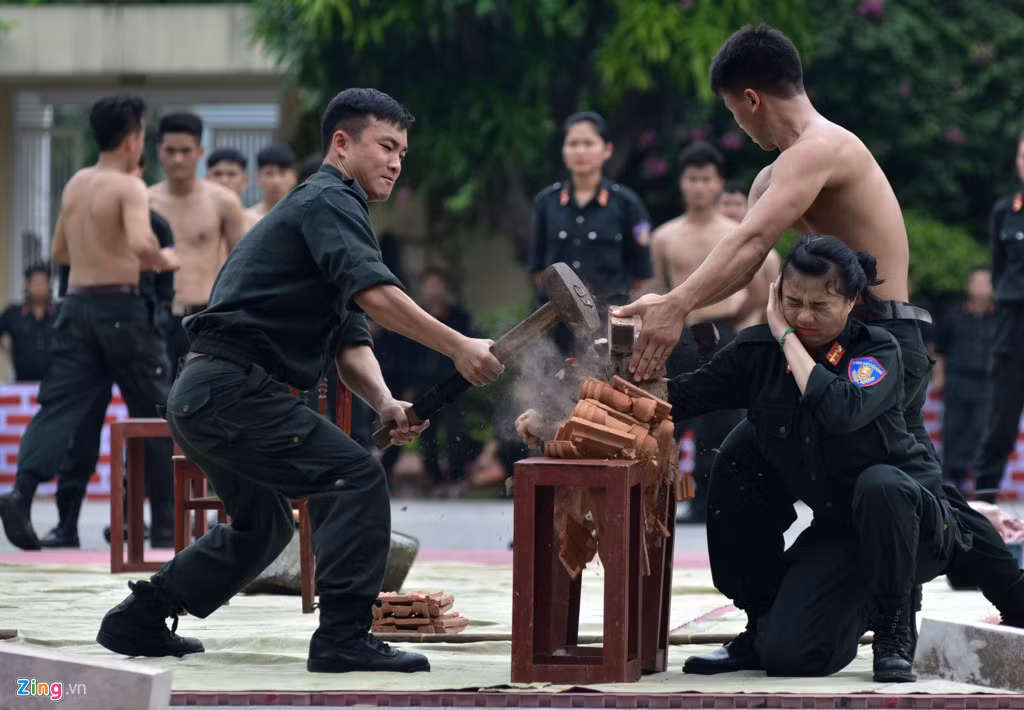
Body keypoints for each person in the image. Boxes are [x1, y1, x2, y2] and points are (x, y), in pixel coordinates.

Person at [614, 23, 1024, 626]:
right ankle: (765, 618)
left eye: (734, 113)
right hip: (825, 341)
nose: (739, 127)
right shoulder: (776, 174)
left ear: (751, 99)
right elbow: (747, 258)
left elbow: (752, 236)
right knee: (743, 461)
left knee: (904, 484)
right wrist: (676, 302)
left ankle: (980, 590)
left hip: (883, 347)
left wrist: (676, 306)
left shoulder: (824, 148)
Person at [95, 88, 504, 674]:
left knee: (261, 529)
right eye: (386, 146)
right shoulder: (328, 199)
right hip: (230, 389)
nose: (395, 162)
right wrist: (459, 346)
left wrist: (386, 402)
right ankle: (343, 637)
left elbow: (351, 341)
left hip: (210, 396)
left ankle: (140, 616)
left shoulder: (337, 212)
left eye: (403, 153)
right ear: (342, 143)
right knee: (356, 477)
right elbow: (377, 297)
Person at [519, 237, 963, 682]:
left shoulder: (876, 350)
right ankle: (764, 619)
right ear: (777, 295)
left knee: (882, 488)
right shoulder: (757, 354)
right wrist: (568, 406)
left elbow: (837, 406)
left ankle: (894, 620)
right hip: (835, 530)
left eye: (819, 305)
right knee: (787, 650)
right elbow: (673, 400)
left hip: (901, 525)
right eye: (792, 302)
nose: (804, 315)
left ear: (850, 301)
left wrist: (748, 323)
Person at [0, 95, 179, 551]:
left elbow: (60, 250)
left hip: (74, 308)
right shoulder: (128, 186)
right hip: (121, 310)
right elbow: (142, 244)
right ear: (133, 139)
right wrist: (166, 259)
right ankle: (163, 522)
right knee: (158, 414)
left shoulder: (76, 184)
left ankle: (22, 494)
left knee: (60, 408)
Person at [42, 155, 178, 549]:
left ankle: (165, 523)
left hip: (142, 332)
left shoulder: (156, 225)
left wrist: (161, 318)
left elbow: (166, 280)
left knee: (155, 427)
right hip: (88, 331)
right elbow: (68, 273)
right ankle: (66, 522)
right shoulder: (84, 221)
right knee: (82, 428)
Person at [650, 142, 747, 524]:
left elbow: (756, 283)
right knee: (669, 417)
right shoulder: (664, 236)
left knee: (724, 421)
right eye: (692, 178)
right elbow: (655, 289)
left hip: (723, 331)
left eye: (707, 179)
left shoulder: (738, 233)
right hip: (678, 332)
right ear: (682, 183)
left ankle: (724, 497)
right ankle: (667, 495)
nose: (700, 186)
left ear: (719, 183)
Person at [530, 111, 653, 355]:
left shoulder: (629, 204)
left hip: (609, 322)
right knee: (553, 389)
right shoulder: (546, 203)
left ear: (607, 150)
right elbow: (537, 269)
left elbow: (640, 274)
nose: (580, 151)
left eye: (588, 143)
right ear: (563, 150)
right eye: (573, 144)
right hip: (556, 324)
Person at [149, 112, 247, 380]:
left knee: (206, 401)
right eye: (171, 151)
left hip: (206, 317)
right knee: (157, 402)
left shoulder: (223, 202)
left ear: (200, 152)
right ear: (160, 152)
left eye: (185, 151)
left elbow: (241, 266)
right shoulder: (146, 202)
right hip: (159, 317)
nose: (178, 159)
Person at [972, 133, 1024, 503]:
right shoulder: (1005, 211)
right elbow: (999, 267)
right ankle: (984, 505)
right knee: (1001, 420)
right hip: (1013, 324)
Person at [933, 266, 995, 493]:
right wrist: (939, 377)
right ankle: (953, 481)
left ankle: (981, 483)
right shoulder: (955, 316)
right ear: (969, 286)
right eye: (976, 282)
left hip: (987, 384)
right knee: (953, 429)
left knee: (981, 431)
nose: (979, 288)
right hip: (958, 380)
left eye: (984, 283)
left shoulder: (1000, 317)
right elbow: (940, 350)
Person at [0, 263, 58, 382]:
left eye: (43, 283)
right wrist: (10, 354)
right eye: (35, 283)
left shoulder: (59, 314)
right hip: (23, 384)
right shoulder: (14, 313)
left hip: (55, 383)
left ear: (49, 286)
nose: (39, 287)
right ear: (27, 285)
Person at [245, 144, 298, 224]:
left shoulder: (305, 218)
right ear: (258, 178)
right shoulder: (247, 219)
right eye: (269, 173)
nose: (276, 181)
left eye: (282, 173)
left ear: (294, 177)